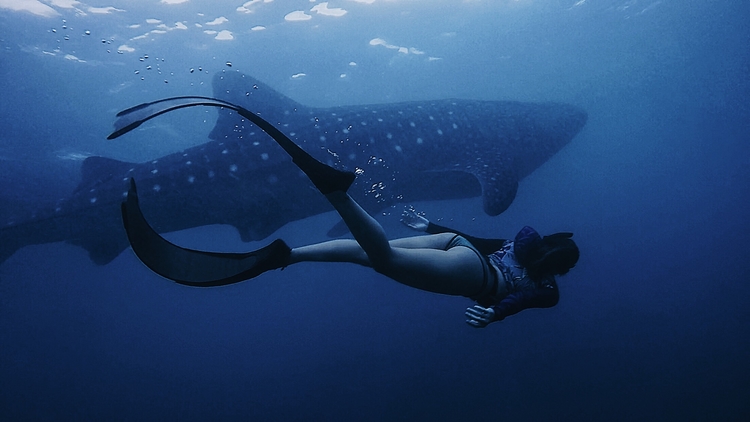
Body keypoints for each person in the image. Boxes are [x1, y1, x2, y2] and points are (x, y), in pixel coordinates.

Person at [118, 99, 579, 328]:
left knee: (366, 251)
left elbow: (504, 232)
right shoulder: (546, 291)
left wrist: (431, 227)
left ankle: (293, 252)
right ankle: (336, 199)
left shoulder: (521, 252)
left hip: (459, 247)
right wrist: (491, 316)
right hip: (469, 272)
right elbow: (516, 290)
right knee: (380, 257)